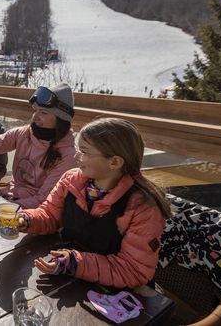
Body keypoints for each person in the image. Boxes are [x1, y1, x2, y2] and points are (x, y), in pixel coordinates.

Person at [18, 118, 172, 289]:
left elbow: (133, 270)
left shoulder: (143, 207)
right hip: (71, 274)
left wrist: (76, 263)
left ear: (114, 162)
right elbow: (50, 215)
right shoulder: (72, 179)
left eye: (84, 151)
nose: (76, 156)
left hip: (120, 297)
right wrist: (26, 220)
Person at [0, 83, 77, 208]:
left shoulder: (68, 156)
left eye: (43, 112)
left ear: (61, 119)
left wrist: (3, 208)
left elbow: (43, 199)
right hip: (7, 199)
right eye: (35, 110)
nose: (35, 117)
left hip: (29, 215)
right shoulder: (25, 133)